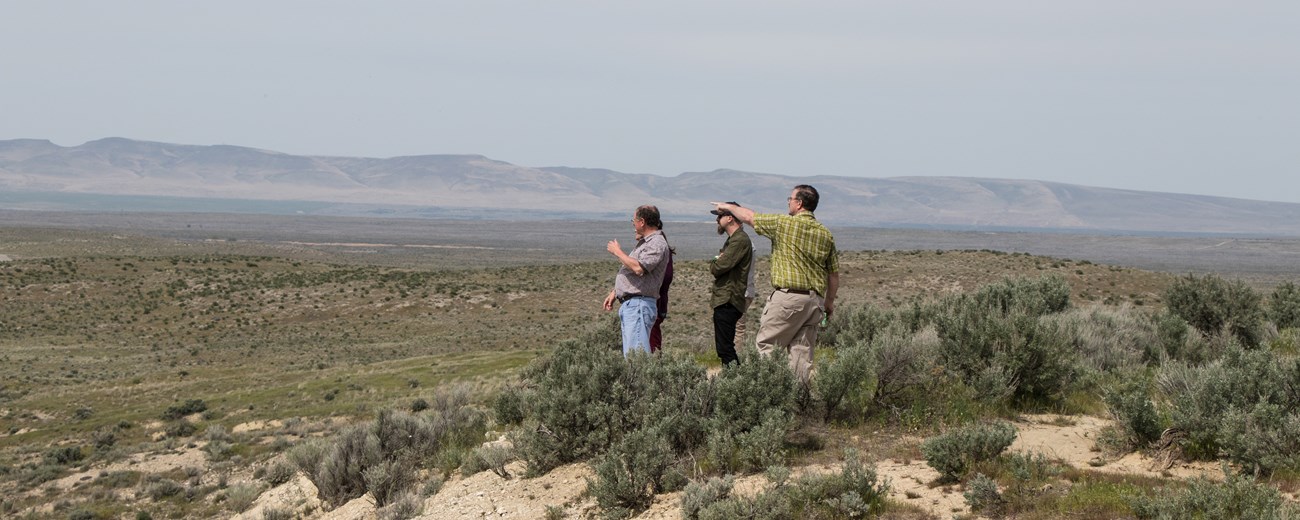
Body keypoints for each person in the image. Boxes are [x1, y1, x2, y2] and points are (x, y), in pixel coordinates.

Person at [712, 185, 838, 386]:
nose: (788, 201)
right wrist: (829, 304)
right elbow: (833, 274)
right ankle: (799, 402)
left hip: (788, 298)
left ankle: (765, 396)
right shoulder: (825, 234)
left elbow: (750, 217)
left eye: (791, 198)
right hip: (814, 301)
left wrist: (727, 206)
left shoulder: (784, 224)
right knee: (801, 355)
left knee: (767, 346)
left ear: (799, 203)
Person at [602, 205, 670, 356]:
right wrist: (616, 292)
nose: (633, 224)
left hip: (639, 305)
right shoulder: (646, 243)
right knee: (632, 356)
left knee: (637, 358)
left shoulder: (656, 243)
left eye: (634, 220)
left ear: (642, 222)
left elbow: (639, 268)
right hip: (632, 305)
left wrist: (617, 251)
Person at [709, 202, 753, 366]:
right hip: (725, 299)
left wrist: (716, 261)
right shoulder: (734, 240)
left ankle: (735, 383)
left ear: (729, 218)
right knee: (724, 348)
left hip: (728, 299)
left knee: (725, 349)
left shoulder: (739, 241)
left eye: (719, 216)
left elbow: (718, 266)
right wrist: (717, 260)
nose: (717, 220)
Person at [649, 235, 675, 353]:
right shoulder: (666, 253)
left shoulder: (660, 251)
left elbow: (666, 279)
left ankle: (654, 364)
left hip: (655, 303)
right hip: (659, 303)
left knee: (652, 338)